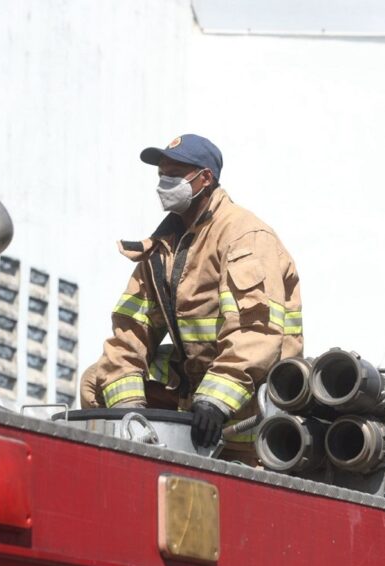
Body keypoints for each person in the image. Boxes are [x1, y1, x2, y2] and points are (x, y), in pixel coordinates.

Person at [80, 134, 303, 463]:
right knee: (95, 379)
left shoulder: (244, 236)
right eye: (161, 174)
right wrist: (129, 416)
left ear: (205, 179)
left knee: (236, 401)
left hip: (254, 397)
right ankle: (135, 460)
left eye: (175, 173)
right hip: (195, 388)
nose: (164, 182)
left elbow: (254, 333)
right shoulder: (162, 248)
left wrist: (215, 400)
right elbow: (130, 333)